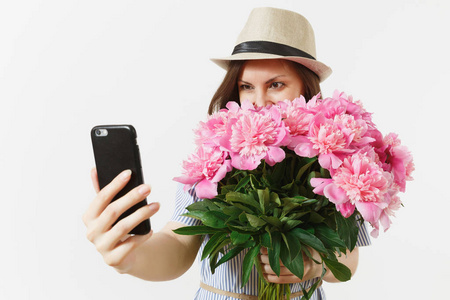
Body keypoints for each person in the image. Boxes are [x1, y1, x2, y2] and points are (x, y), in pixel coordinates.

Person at [82, 7, 371, 300]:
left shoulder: (338, 164)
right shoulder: (213, 158)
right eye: (246, 86)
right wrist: (131, 256)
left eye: (276, 84)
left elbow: (348, 258)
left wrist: (316, 265)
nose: (258, 102)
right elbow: (178, 244)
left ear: (307, 91)